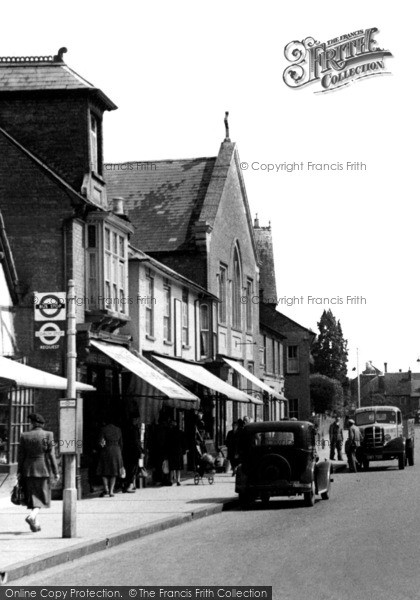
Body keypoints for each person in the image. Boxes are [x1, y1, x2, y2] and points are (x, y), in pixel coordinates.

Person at [17, 413, 59, 533]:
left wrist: (19, 471)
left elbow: (21, 456)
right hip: (43, 469)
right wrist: (56, 472)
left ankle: (35, 524)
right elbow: (51, 455)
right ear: (41, 424)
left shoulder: (24, 436)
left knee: (33, 496)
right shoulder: (48, 435)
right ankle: (32, 516)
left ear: (33, 423)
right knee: (42, 497)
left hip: (28, 470)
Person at [96, 416, 124, 497]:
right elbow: (121, 443)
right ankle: (111, 491)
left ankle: (106, 489)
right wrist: (119, 452)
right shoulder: (118, 430)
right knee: (114, 472)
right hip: (117, 451)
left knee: (104, 471)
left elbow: (100, 442)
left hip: (106, 451)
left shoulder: (103, 429)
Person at [122, 410, 143, 493]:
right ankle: (130, 485)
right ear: (135, 419)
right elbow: (136, 442)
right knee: (133, 469)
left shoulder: (125, 427)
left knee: (127, 468)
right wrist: (140, 451)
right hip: (133, 452)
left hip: (126, 451)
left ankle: (126, 485)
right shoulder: (134, 429)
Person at [166, 420, 186, 486]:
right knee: (178, 467)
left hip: (171, 452)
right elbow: (183, 443)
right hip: (179, 452)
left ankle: (171, 480)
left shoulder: (169, 433)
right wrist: (184, 451)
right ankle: (178, 480)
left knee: (172, 467)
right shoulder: (180, 432)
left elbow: (167, 443)